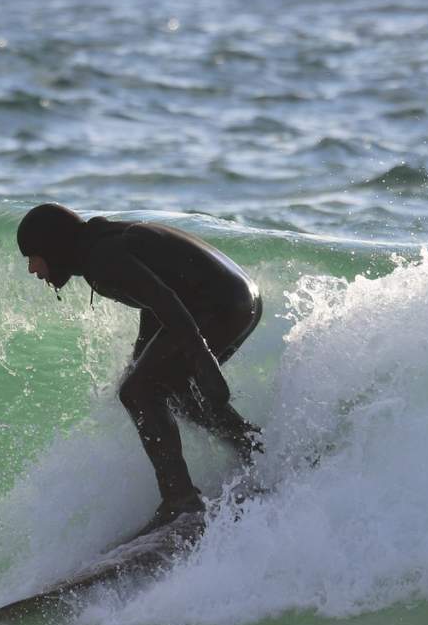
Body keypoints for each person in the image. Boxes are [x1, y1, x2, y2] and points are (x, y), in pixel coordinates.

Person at [16, 202, 264, 535]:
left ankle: (180, 500)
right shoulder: (103, 245)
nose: (32, 269)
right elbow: (156, 297)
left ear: (53, 246)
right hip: (238, 300)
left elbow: (164, 300)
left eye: (33, 257)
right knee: (167, 389)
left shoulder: (102, 259)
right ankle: (258, 452)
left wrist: (203, 361)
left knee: (139, 392)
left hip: (220, 305)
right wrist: (139, 360)